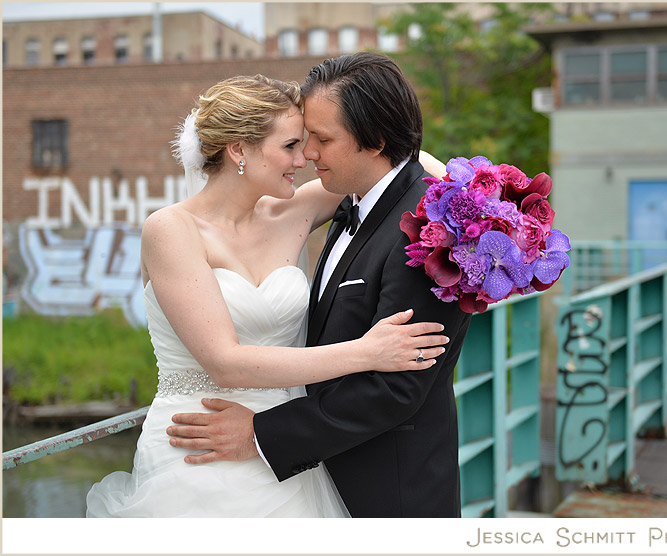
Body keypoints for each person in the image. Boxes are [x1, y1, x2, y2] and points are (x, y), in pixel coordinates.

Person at [85, 74, 451, 518]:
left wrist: (495, 228)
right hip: (201, 439)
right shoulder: (170, 230)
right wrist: (366, 353)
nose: (306, 159)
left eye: (312, 142)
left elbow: (406, 168)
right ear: (239, 149)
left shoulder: (295, 209)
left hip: (283, 445)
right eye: (291, 145)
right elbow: (224, 360)